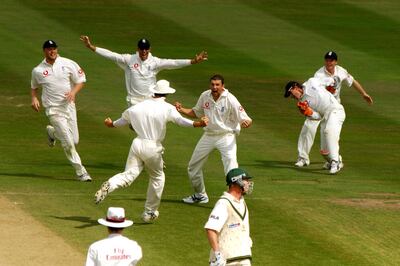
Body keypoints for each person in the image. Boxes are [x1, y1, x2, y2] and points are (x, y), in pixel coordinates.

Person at [94, 80, 208, 222]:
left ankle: (110, 184)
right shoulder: (167, 108)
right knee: (158, 177)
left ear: (154, 92)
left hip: (137, 144)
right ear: (166, 93)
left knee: (129, 174)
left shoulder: (136, 107)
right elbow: (181, 121)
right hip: (152, 147)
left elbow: (119, 122)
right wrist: (199, 124)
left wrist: (110, 124)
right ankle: (150, 212)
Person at [175, 74, 252, 204]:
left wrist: (246, 123)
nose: (214, 87)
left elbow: (246, 118)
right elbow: (196, 112)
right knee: (193, 167)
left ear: (223, 86)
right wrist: (181, 109)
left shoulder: (230, 99)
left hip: (226, 136)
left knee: (231, 169)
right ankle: (200, 195)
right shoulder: (205, 95)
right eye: (212, 84)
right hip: (209, 135)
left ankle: (236, 198)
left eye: (217, 85)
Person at [295, 51, 373, 168]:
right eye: (327, 60)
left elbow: (352, 81)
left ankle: (335, 159)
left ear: (336, 62)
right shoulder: (319, 74)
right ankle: (303, 158)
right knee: (308, 127)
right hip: (319, 105)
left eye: (331, 60)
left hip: (333, 108)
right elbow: (317, 93)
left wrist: (364, 94)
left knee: (330, 134)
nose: (328, 62)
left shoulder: (341, 71)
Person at [80, 35, 208, 106]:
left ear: (150, 49)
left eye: (146, 49)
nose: (144, 51)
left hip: (150, 99)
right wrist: (91, 47)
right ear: (138, 49)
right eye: (142, 49)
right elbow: (111, 54)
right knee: (135, 126)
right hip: (133, 100)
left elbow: (173, 62)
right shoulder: (129, 59)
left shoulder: (155, 62)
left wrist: (192, 61)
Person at [30, 40, 91, 182]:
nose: (52, 51)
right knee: (68, 143)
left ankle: (52, 132)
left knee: (74, 140)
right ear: (44, 51)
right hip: (53, 109)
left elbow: (81, 80)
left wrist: (73, 92)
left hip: (69, 106)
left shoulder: (68, 63)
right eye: (49, 49)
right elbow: (34, 86)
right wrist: (34, 98)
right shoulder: (38, 70)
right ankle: (81, 172)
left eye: (54, 49)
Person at [284, 77, 346, 174]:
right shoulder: (302, 102)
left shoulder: (312, 82)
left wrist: (334, 83)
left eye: (292, 94)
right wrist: (308, 113)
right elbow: (318, 116)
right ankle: (335, 160)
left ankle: (335, 162)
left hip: (336, 110)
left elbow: (331, 80)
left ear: (296, 87)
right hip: (325, 118)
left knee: (328, 131)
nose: (293, 97)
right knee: (324, 152)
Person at [205, 168, 254, 266]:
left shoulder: (242, 202)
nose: (248, 183)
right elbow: (211, 229)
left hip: (243, 258)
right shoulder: (223, 203)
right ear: (236, 181)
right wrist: (218, 255)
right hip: (226, 261)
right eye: (246, 180)